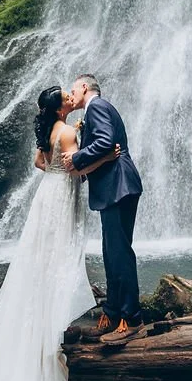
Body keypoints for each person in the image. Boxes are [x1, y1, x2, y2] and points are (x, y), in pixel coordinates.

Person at [0, 84, 120, 381]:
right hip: (62, 199)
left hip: (45, 198)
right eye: (66, 98)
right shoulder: (67, 131)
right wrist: (107, 158)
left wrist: (60, 164)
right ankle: (49, 339)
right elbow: (76, 170)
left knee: (41, 262)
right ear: (58, 109)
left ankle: (41, 328)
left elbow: (42, 163)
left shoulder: (51, 131)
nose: (71, 98)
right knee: (59, 261)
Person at [63, 73, 146, 346]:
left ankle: (132, 319)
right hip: (115, 187)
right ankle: (112, 313)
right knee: (112, 253)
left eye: (73, 89)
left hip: (117, 186)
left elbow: (106, 142)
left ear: (84, 87)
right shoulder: (99, 108)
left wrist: (76, 156)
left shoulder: (97, 106)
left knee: (119, 252)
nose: (70, 94)